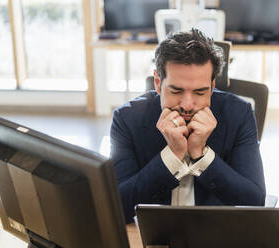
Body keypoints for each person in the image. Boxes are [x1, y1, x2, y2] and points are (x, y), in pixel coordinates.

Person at [110, 29, 266, 224]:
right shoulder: (127, 118)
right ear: (158, 83)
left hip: (214, 232)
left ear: (212, 85)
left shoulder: (239, 114)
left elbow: (255, 201)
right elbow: (115, 207)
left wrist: (201, 155)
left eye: (200, 92)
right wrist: (172, 156)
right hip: (155, 233)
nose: (187, 104)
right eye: (176, 90)